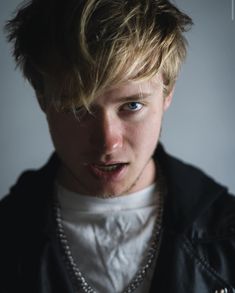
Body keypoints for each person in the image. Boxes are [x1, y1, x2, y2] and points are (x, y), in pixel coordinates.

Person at [1, 0, 235, 292]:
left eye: (132, 105)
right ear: (42, 99)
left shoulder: (227, 237)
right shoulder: (7, 238)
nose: (108, 142)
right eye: (78, 109)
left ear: (167, 95)